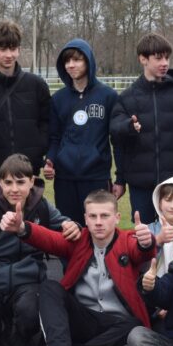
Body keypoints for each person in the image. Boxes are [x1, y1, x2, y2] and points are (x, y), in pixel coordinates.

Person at [8, 190, 154, 346]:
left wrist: (147, 243)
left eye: (105, 216)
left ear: (117, 218)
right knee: (50, 287)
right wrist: (22, 228)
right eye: (93, 216)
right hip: (84, 320)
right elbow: (50, 239)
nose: (98, 222)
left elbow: (142, 252)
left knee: (134, 327)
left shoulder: (127, 241)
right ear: (85, 218)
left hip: (117, 328)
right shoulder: (80, 240)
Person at [0, 154, 79, 346]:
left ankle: (23, 335)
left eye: (20, 182)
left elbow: (66, 225)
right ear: (0, 183)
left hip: (29, 283)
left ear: (31, 182)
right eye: (8, 182)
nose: (14, 189)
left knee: (31, 312)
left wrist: (74, 226)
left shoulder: (42, 207)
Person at [110, 33, 173, 223]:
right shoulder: (127, 97)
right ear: (143, 59)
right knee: (145, 235)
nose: (164, 63)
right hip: (140, 185)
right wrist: (128, 127)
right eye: (158, 58)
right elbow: (116, 134)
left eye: (167, 58)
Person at [43, 39, 119, 226]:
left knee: (97, 228)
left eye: (77, 60)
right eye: (67, 61)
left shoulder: (108, 96)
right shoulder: (58, 99)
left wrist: (121, 178)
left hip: (96, 176)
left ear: (88, 61)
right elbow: (55, 137)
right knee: (69, 229)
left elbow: (117, 139)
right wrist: (50, 160)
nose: (71, 65)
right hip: (65, 178)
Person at [0, 20, 52, 194]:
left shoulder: (37, 85)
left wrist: (38, 151)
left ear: (19, 49)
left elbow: (47, 123)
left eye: (13, 48)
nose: (9, 54)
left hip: (29, 174)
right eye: (3, 49)